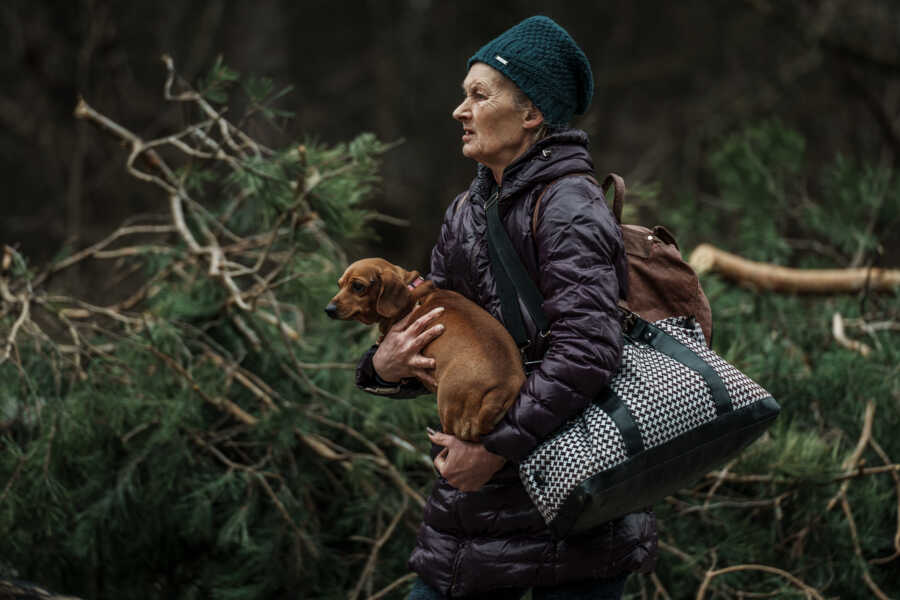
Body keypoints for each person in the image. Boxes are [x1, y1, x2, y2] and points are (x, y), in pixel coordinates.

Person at [355, 15, 657, 599]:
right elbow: (442, 339)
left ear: (531, 114)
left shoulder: (569, 207)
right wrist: (383, 366)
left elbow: (589, 355)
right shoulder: (466, 211)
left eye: (478, 95)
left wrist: (492, 449)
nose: (459, 111)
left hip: (569, 527)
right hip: (471, 520)